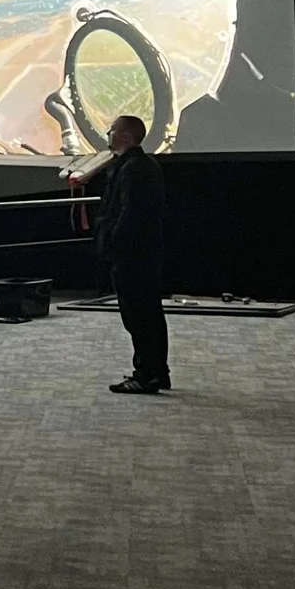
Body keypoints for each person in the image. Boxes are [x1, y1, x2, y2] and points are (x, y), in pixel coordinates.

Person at [81, 113, 169, 395]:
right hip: (143, 252)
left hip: (133, 254)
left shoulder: (134, 169)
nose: (108, 133)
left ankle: (146, 374)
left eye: (113, 130)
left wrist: (113, 242)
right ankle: (156, 371)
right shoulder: (139, 166)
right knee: (148, 312)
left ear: (126, 137)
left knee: (138, 315)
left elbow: (131, 213)